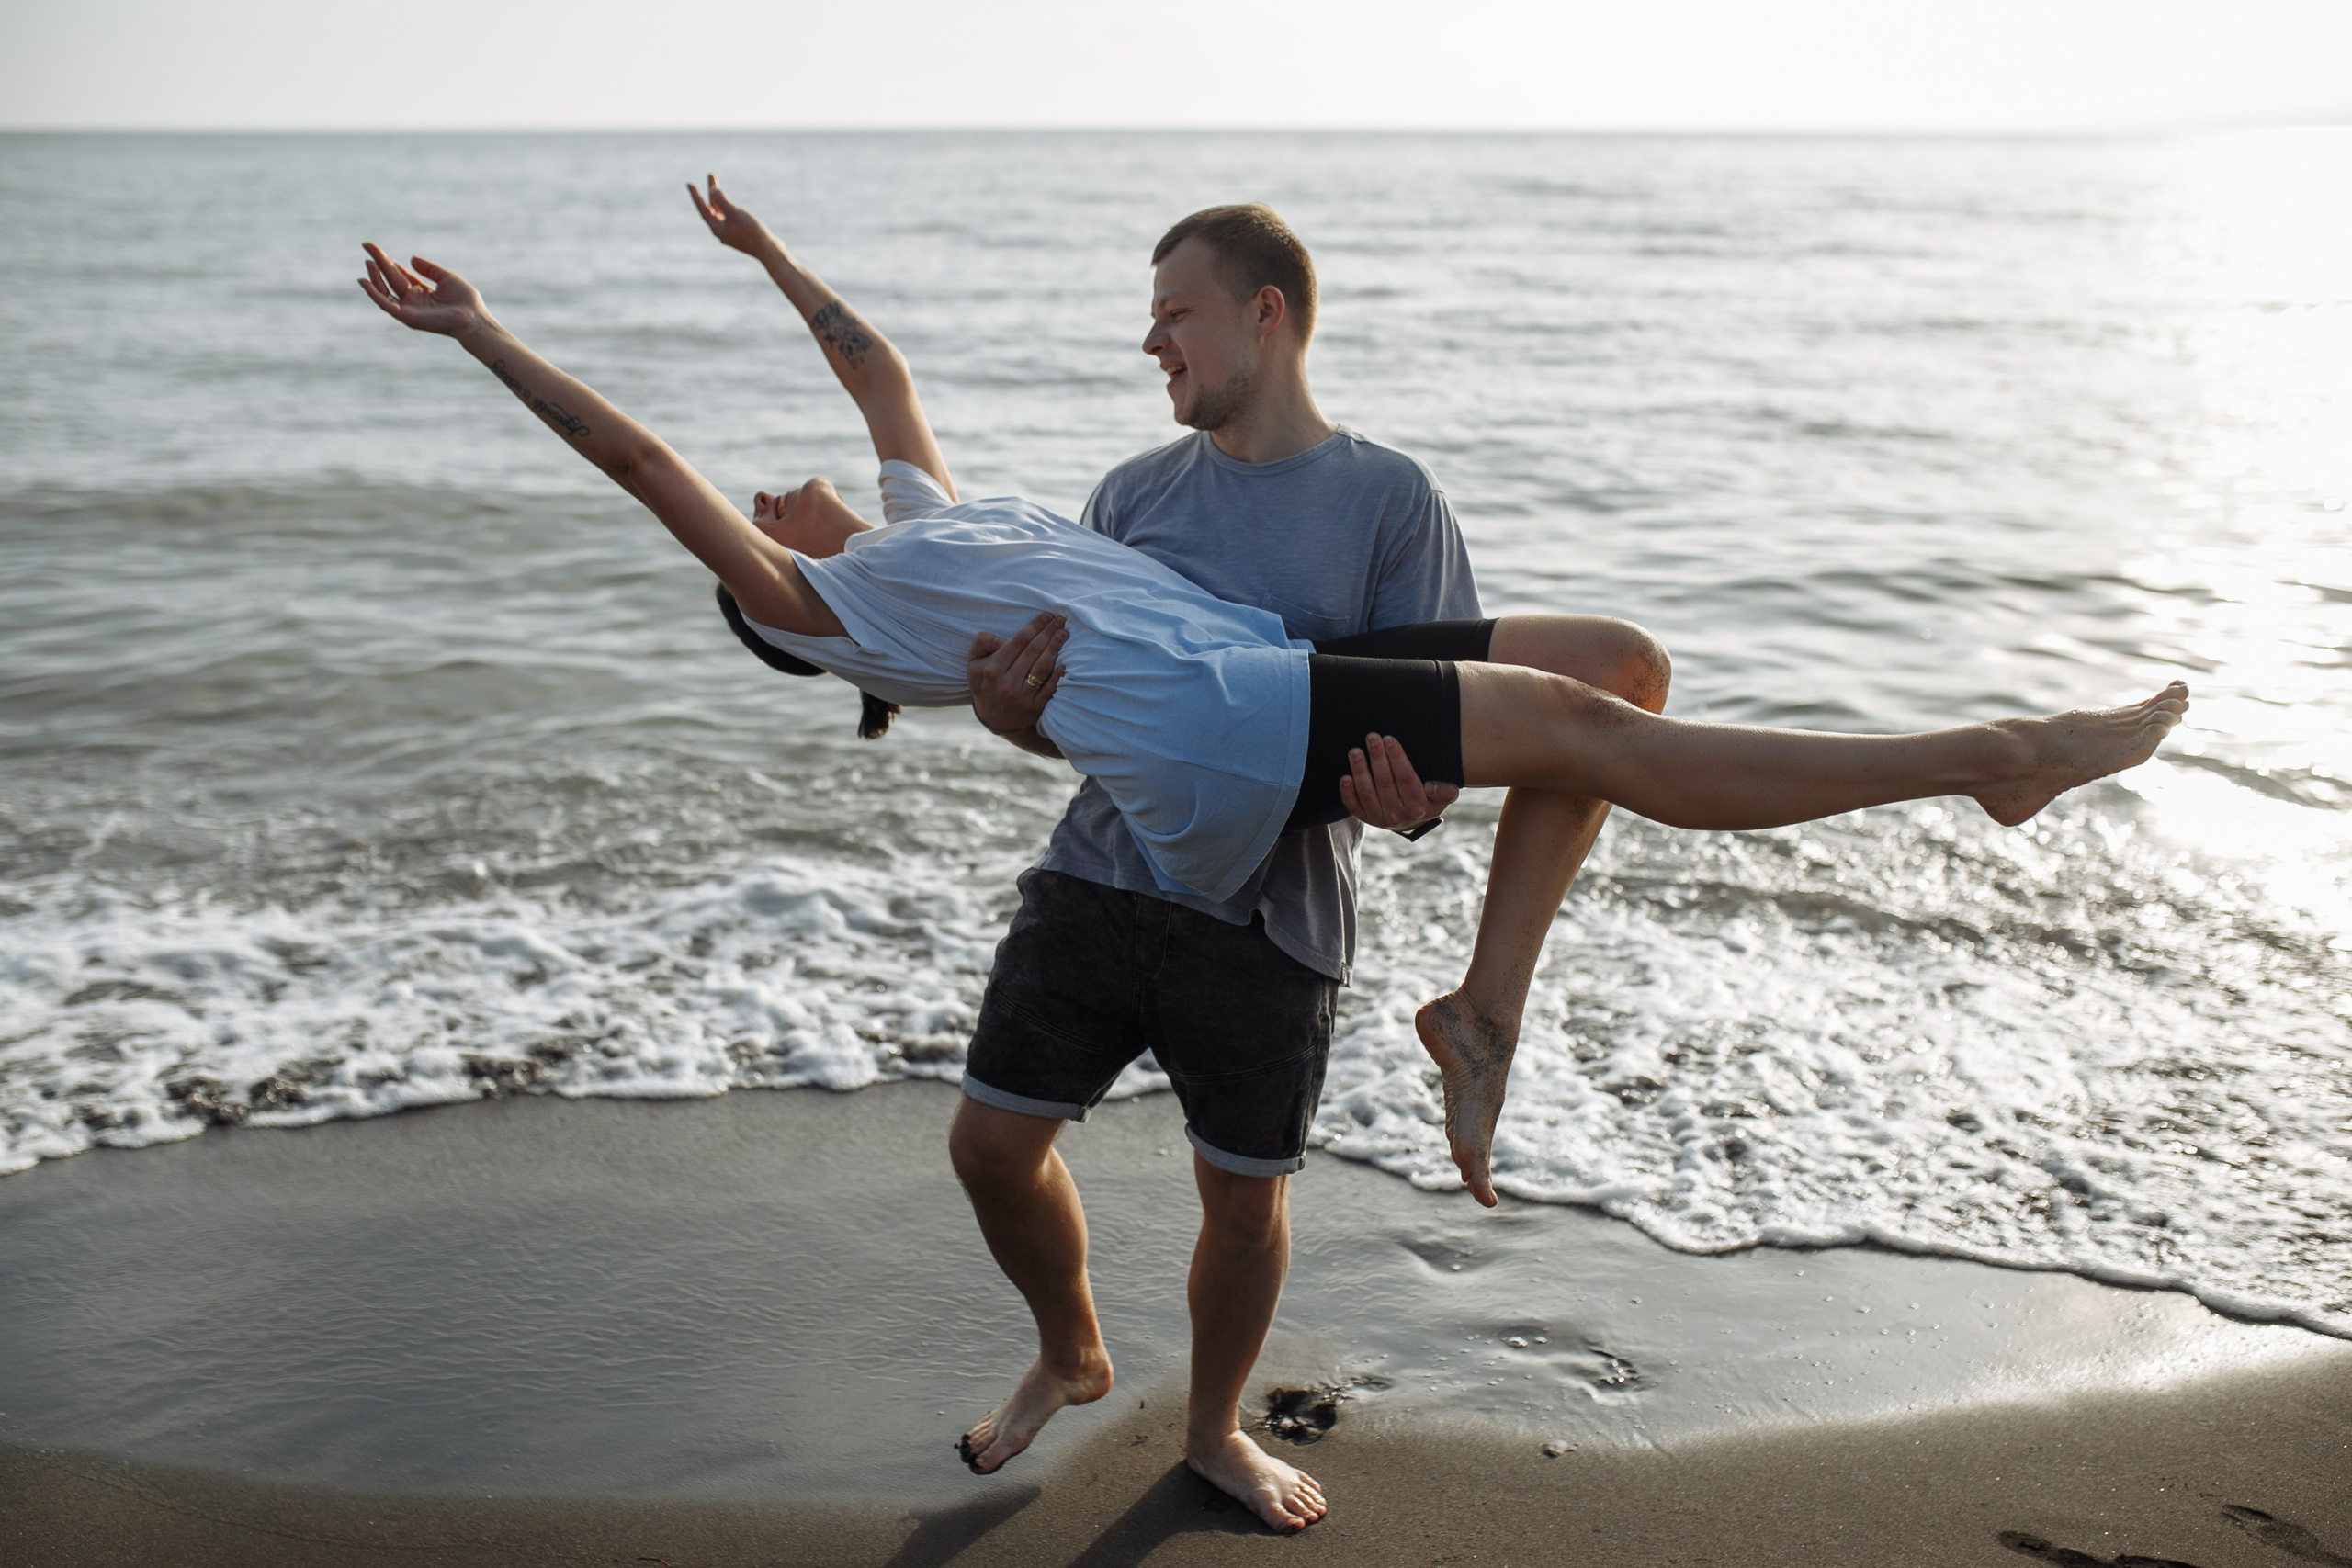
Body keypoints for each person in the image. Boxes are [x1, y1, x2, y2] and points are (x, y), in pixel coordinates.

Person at [360, 217, 2188, 1532]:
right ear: (776, 588)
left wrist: (770, 266)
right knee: (1599, 734)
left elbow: (873, 371)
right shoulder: (830, 603)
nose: (777, 495)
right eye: (756, 520)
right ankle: (1987, 764)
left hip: (1261, 691)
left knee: (1616, 673)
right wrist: (487, 333)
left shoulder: (933, 515)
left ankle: (1489, 1000)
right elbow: (638, 459)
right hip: (1229, 737)